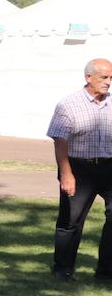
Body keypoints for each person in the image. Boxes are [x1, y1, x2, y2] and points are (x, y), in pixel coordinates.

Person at [47, 58, 112, 280]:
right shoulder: (69, 104)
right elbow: (60, 141)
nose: (108, 82)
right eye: (104, 78)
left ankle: (106, 272)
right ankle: (63, 270)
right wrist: (66, 174)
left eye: (111, 78)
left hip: (109, 167)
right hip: (79, 168)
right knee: (71, 220)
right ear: (88, 77)